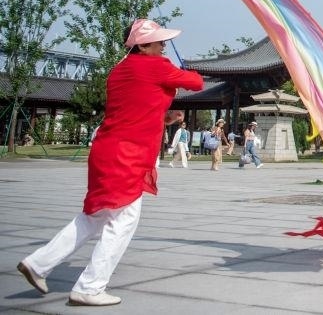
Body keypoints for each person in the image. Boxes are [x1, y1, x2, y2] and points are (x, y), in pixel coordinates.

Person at [16, 18, 203, 306]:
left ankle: (38, 264)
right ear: (142, 46)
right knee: (124, 220)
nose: (164, 45)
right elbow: (196, 82)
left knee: (94, 216)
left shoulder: (119, 70)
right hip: (127, 155)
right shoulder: (156, 66)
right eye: (159, 41)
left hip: (107, 149)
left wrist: (163, 117)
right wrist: (186, 69)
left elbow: (133, 107)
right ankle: (89, 287)